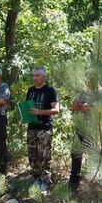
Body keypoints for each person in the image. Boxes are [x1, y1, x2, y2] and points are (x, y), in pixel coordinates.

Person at [26, 66, 59, 195]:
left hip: (44, 128)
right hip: (31, 127)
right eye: (33, 75)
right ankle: (37, 179)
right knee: (32, 156)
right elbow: (28, 108)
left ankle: (45, 182)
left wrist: (39, 112)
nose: (34, 78)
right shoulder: (30, 91)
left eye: (37, 75)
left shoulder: (50, 91)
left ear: (44, 77)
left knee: (44, 156)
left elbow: (56, 110)